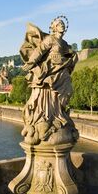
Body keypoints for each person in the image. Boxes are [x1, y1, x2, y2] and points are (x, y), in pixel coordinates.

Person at [19, 16, 79, 145]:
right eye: (59, 24)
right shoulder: (50, 39)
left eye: (63, 24)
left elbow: (68, 54)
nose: (62, 25)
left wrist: (73, 56)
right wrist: (31, 62)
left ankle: (59, 112)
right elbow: (39, 51)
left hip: (62, 70)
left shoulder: (64, 43)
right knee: (50, 92)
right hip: (51, 69)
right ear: (54, 28)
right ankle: (49, 115)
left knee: (67, 91)